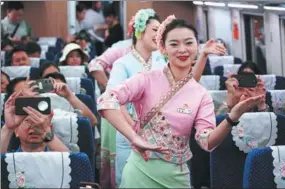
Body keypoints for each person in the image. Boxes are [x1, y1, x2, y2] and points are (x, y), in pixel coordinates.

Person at [97, 16, 263, 188]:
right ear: (163, 48)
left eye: (189, 43)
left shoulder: (201, 94)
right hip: (140, 172)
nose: (182, 49)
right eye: (174, 44)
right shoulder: (146, 80)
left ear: (197, 48)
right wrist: (134, 137)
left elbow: (207, 141)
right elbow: (106, 99)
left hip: (177, 176)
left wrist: (232, 117)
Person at [1, 90, 69, 153]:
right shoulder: (9, 160)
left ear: (50, 128)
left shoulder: (60, 155)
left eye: (39, 122)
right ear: (16, 131)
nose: (34, 126)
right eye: (28, 121)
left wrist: (46, 132)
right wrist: (8, 128)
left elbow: (69, 163)